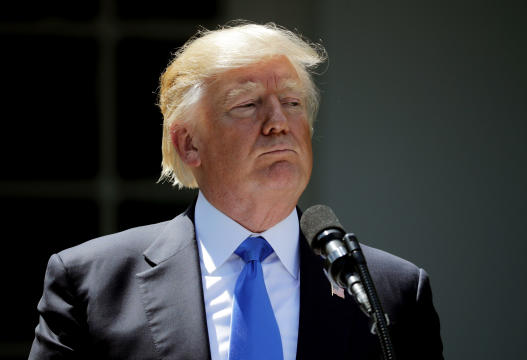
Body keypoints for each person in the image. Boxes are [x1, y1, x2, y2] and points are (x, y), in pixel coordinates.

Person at [29, 22, 443, 360]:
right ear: (189, 144)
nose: (278, 122)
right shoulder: (92, 285)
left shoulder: (391, 290)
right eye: (248, 104)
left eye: (293, 103)